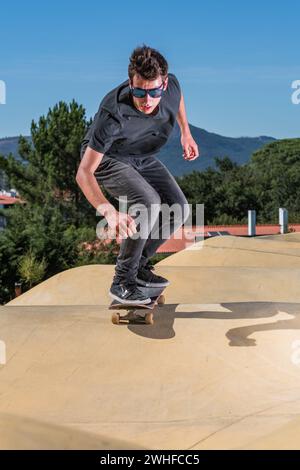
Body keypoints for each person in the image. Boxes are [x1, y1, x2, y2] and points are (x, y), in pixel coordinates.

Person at [76, 45, 199, 305]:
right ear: (131, 83)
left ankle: (140, 267)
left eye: (154, 92)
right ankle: (122, 280)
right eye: (139, 92)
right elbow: (84, 172)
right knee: (149, 202)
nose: (147, 100)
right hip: (107, 157)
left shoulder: (171, 86)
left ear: (163, 86)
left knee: (179, 207)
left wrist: (185, 132)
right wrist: (109, 212)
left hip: (141, 156)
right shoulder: (112, 113)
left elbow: (178, 97)